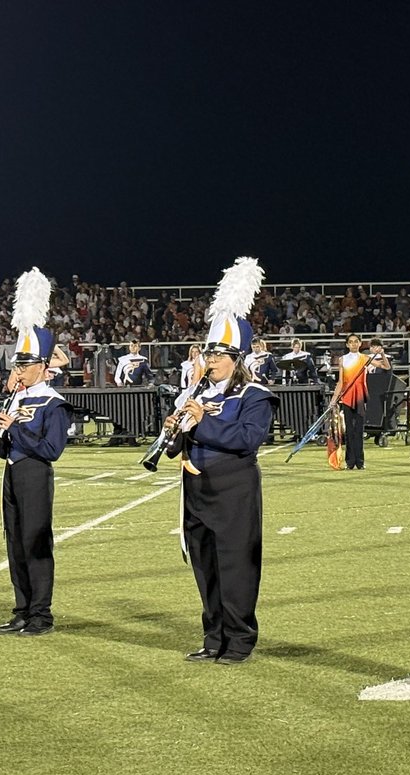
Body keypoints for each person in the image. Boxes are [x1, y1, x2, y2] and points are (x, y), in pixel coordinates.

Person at [167, 257, 276, 665]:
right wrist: (173, 431)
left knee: (236, 567)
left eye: (219, 354)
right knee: (205, 567)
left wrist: (199, 424)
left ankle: (240, 639)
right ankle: (213, 637)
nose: (210, 360)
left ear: (237, 358)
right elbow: (179, 444)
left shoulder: (254, 396)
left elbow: (247, 440)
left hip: (233, 490)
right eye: (208, 353)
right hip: (196, 490)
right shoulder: (197, 395)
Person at [0, 268, 72, 637]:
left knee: (36, 543)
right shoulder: (17, 397)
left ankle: (42, 614)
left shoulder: (53, 403)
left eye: (24, 365)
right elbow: (11, 444)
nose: (18, 371)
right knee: (14, 541)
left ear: (42, 366)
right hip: (12, 473)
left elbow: (52, 449)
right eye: (16, 365)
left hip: (36, 474)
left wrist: (16, 430)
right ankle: (22, 609)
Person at [329, 333, 375, 470]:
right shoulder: (342, 359)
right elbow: (341, 382)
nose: (354, 344)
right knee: (349, 430)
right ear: (347, 344)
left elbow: (386, 367)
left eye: (356, 341)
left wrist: (382, 354)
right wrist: (333, 399)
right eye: (351, 342)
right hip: (347, 397)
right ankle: (350, 462)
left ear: (360, 343)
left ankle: (360, 462)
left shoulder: (365, 358)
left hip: (360, 397)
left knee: (359, 430)